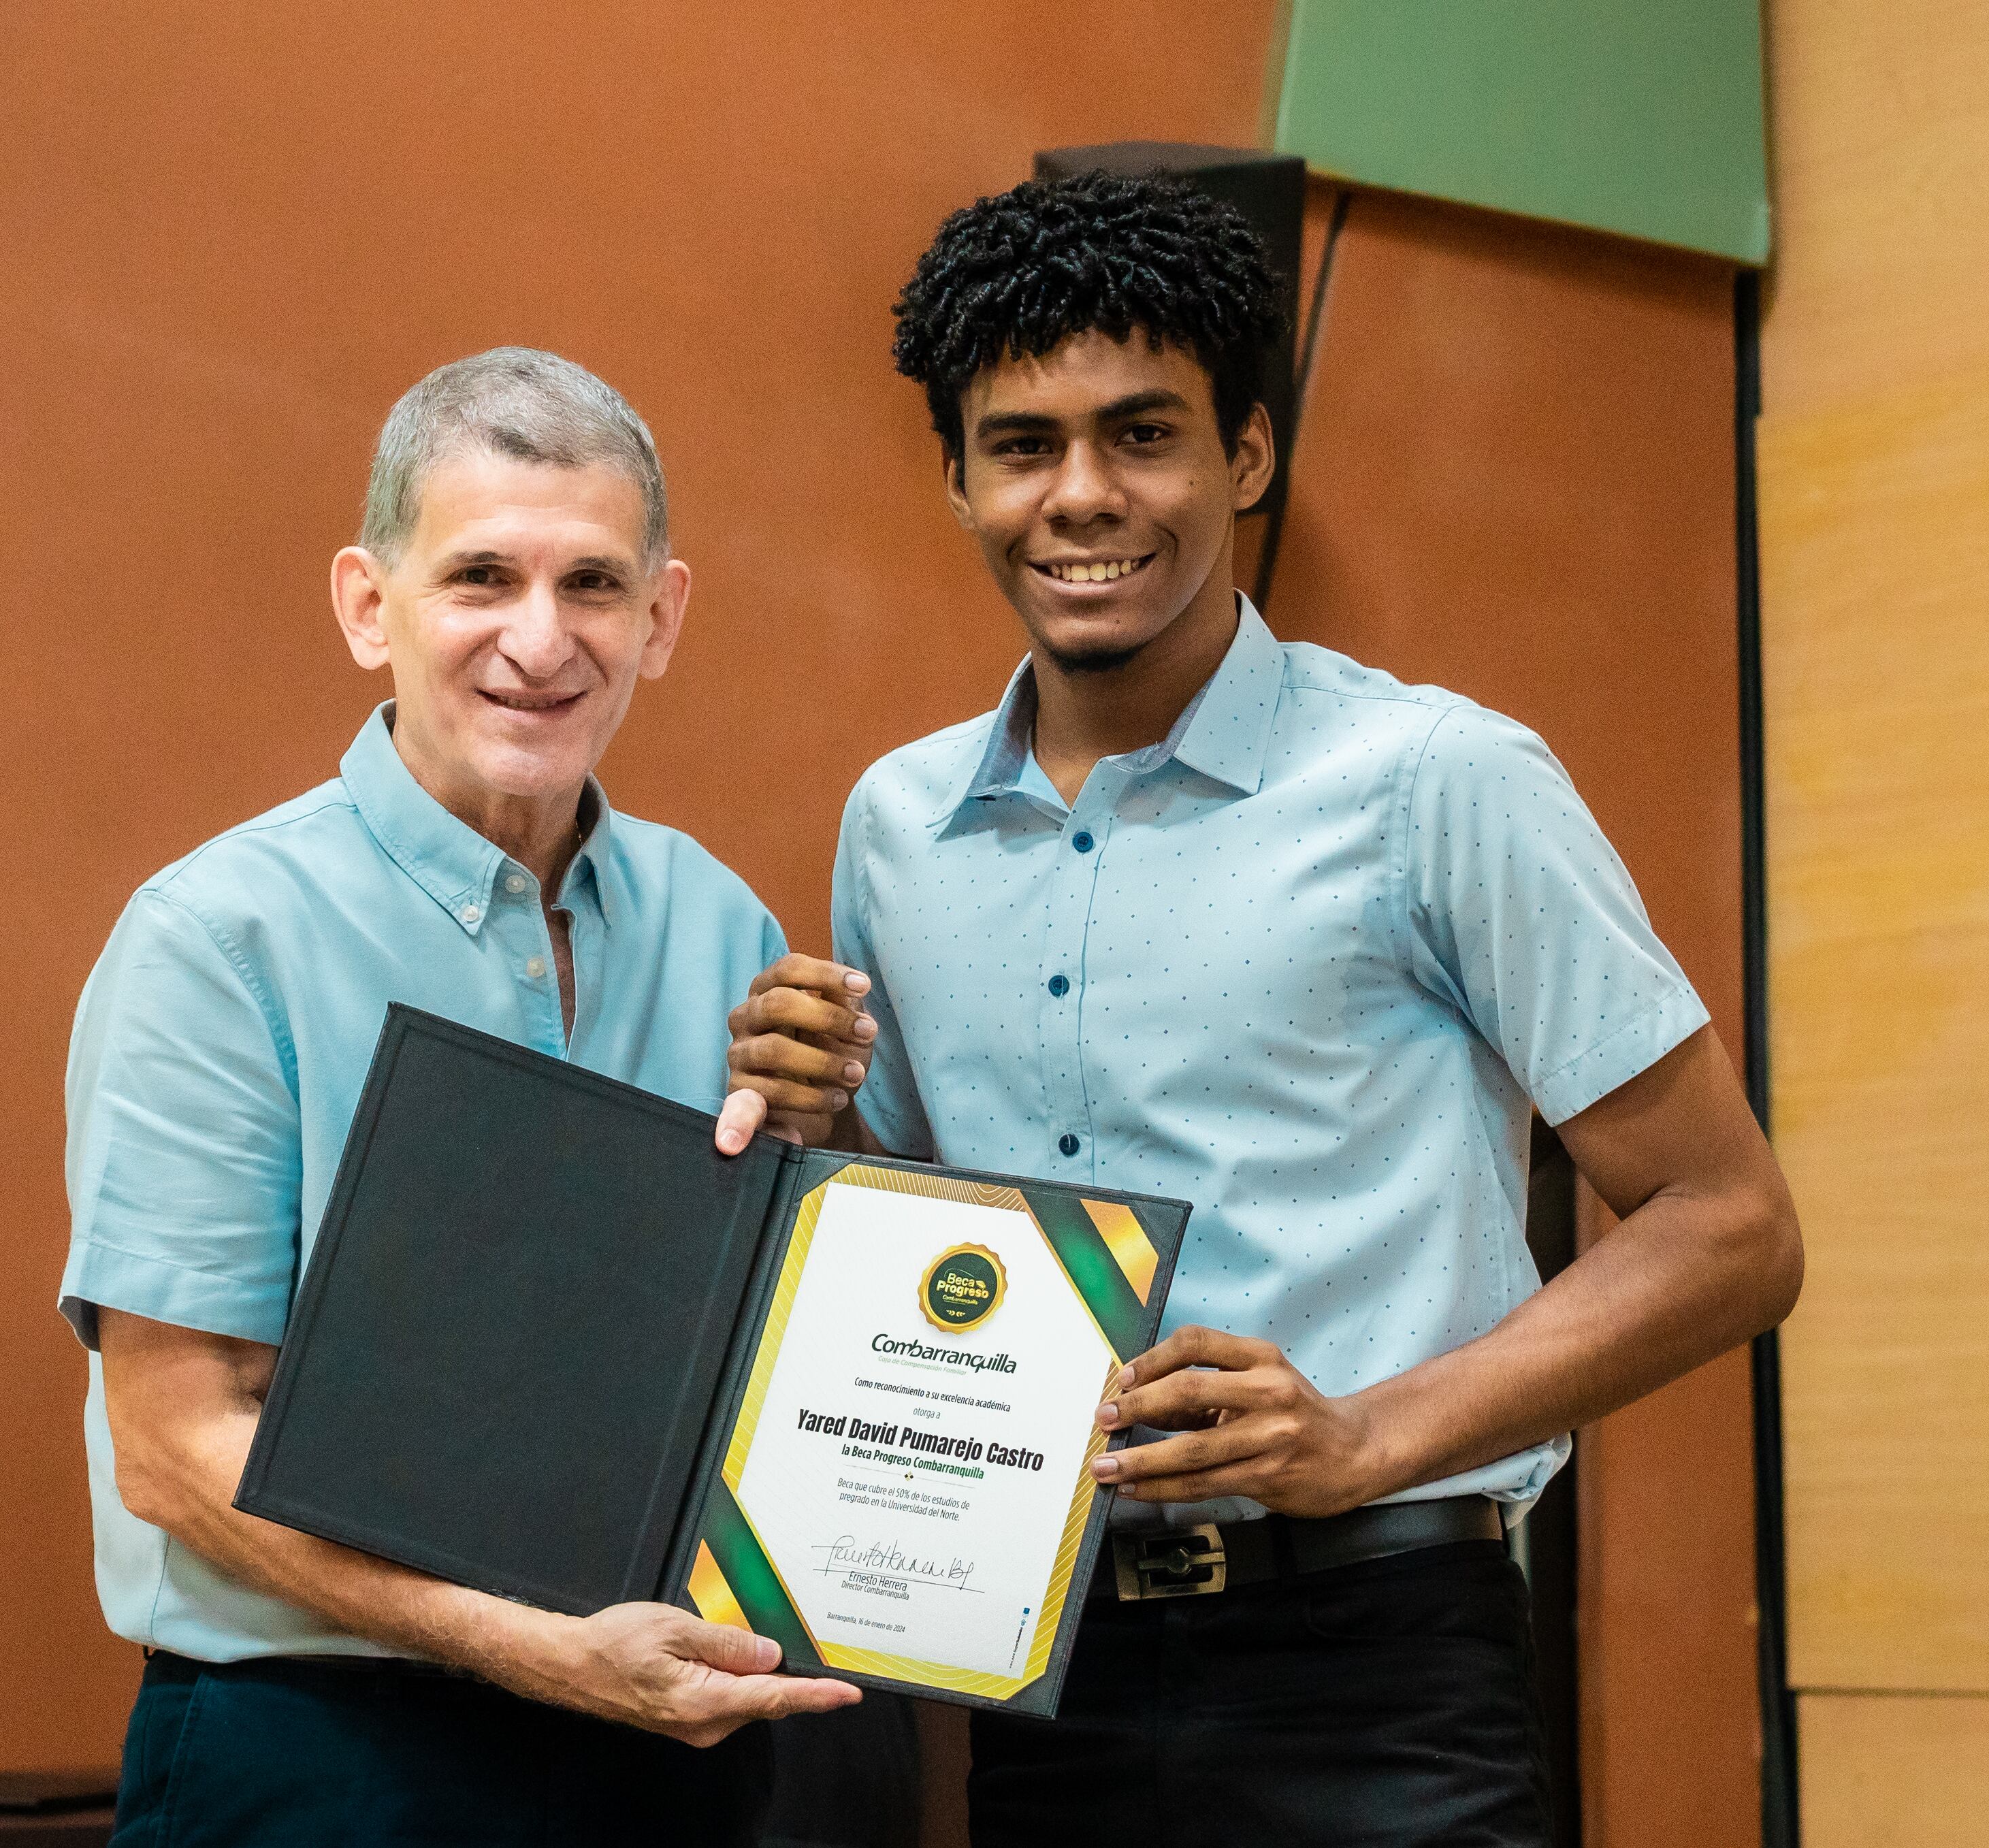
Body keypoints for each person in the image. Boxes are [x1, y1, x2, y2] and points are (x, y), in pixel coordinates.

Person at [721, 173, 1804, 1847]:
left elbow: (1730, 1223)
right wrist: (818, 1126)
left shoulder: (1441, 781)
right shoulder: (898, 826)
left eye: (1141, 433)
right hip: (1041, 1681)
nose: (1082, 496)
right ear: (957, 479)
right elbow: (956, 1257)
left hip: (1380, 1674)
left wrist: (1365, 1433)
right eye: (1022, 446)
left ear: (1247, 455)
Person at [62, 347, 862, 1847]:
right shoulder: (218, 938)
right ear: (371, 606)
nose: (540, 641)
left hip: (664, 1754)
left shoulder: (728, 929)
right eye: (481, 575)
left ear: (664, 617)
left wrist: (833, 1146)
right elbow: (174, 1446)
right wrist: (536, 1649)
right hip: (327, 1758)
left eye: (596, 586)